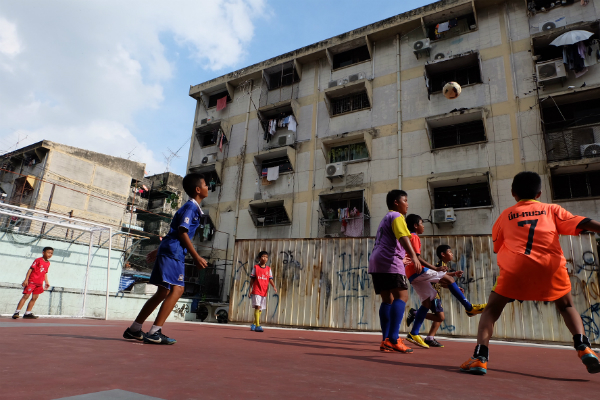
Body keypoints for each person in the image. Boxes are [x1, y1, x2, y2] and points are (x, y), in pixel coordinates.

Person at [460, 171, 600, 375]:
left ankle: (480, 357)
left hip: (516, 269)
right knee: (567, 306)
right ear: (539, 193)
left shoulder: (504, 216)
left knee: (491, 310)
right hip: (550, 267)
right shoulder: (551, 210)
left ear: (513, 193)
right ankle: (584, 346)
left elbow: (498, 247)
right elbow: (583, 223)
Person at [123, 173, 209, 345]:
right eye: (206, 184)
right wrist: (196, 256)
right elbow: (183, 232)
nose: (208, 187)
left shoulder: (191, 208)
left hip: (169, 249)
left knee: (163, 292)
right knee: (177, 290)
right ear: (198, 189)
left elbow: (174, 232)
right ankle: (155, 332)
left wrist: (159, 249)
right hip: (174, 252)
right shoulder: (191, 208)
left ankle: (134, 329)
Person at [404, 228, 486, 349]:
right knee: (440, 315)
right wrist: (438, 271)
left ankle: (415, 333)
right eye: (421, 223)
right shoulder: (414, 237)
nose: (423, 227)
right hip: (417, 271)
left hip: (412, 275)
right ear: (416, 225)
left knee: (427, 304)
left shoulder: (406, 238)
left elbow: (441, 279)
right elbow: (417, 257)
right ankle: (469, 308)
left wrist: (454, 285)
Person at [368, 190, 420, 354]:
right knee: (402, 296)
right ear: (396, 202)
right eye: (405, 200)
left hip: (377, 262)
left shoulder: (385, 218)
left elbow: (387, 242)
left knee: (387, 299)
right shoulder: (397, 216)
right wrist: (414, 257)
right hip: (389, 261)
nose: (407, 204)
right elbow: (404, 238)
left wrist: (399, 257)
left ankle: (386, 340)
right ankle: (393, 338)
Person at [12, 247, 53, 319]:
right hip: (32, 281)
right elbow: (30, 269)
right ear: (43, 252)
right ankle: (17, 312)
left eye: (51, 253)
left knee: (35, 298)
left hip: (39, 283)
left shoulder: (48, 263)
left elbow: (45, 273)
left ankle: (27, 313)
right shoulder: (38, 260)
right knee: (26, 296)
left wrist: (46, 282)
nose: (50, 254)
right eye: (48, 252)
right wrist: (26, 280)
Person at [249, 251, 277, 332]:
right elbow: (252, 279)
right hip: (257, 290)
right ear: (259, 258)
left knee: (260, 308)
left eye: (266, 257)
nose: (265, 258)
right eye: (263, 256)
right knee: (257, 306)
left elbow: (270, 279)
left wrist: (274, 287)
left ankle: (254, 323)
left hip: (264, 291)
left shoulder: (268, 269)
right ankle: (258, 325)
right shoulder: (256, 267)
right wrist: (250, 289)